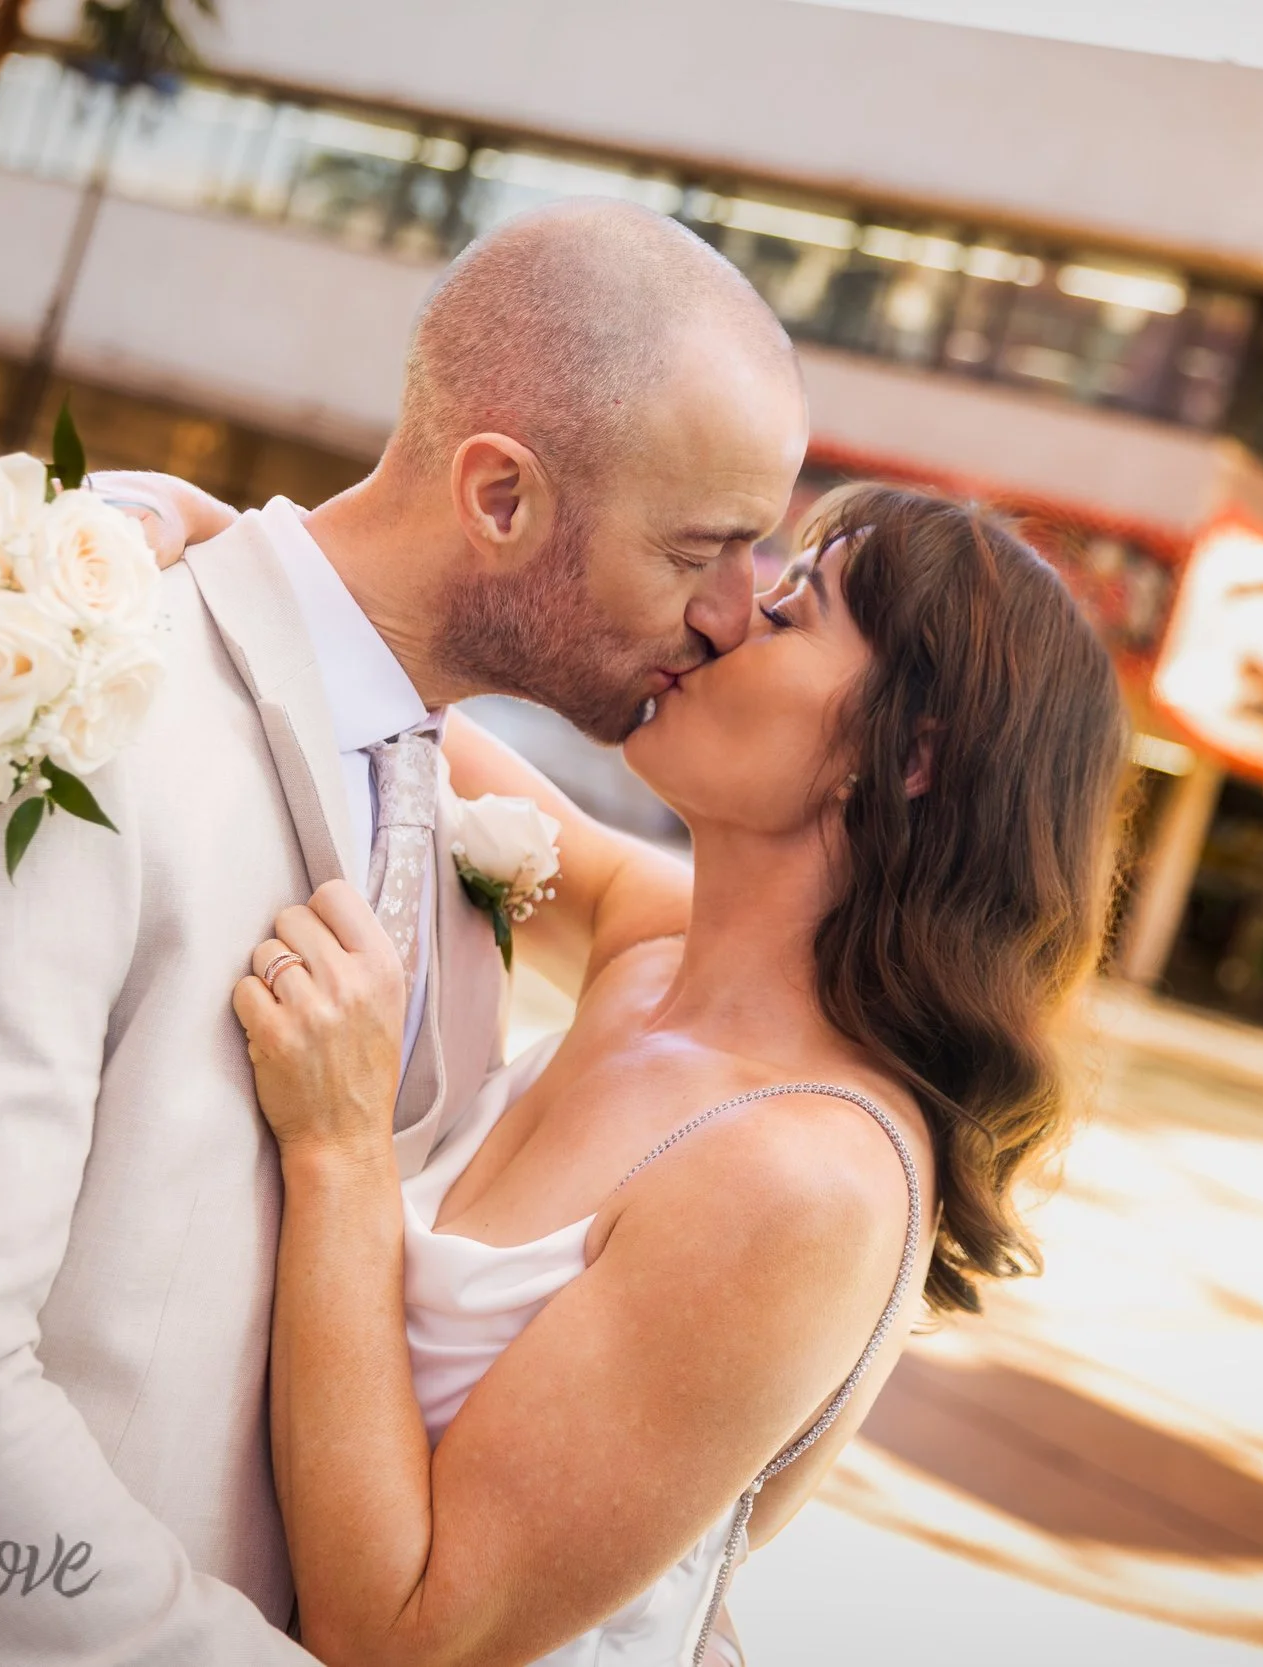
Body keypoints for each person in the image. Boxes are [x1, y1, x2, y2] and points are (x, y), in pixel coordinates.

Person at [0, 199, 808, 1664]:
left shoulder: (442, 795)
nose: (736, 610)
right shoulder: (46, 705)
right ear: (503, 498)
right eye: (701, 548)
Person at [229, 485, 1125, 1664]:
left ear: (907, 754)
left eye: (794, 609)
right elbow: (424, 747)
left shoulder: (798, 1180)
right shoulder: (656, 949)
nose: (722, 615)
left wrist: (338, 1144)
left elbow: (402, 1634)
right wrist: (233, 553)